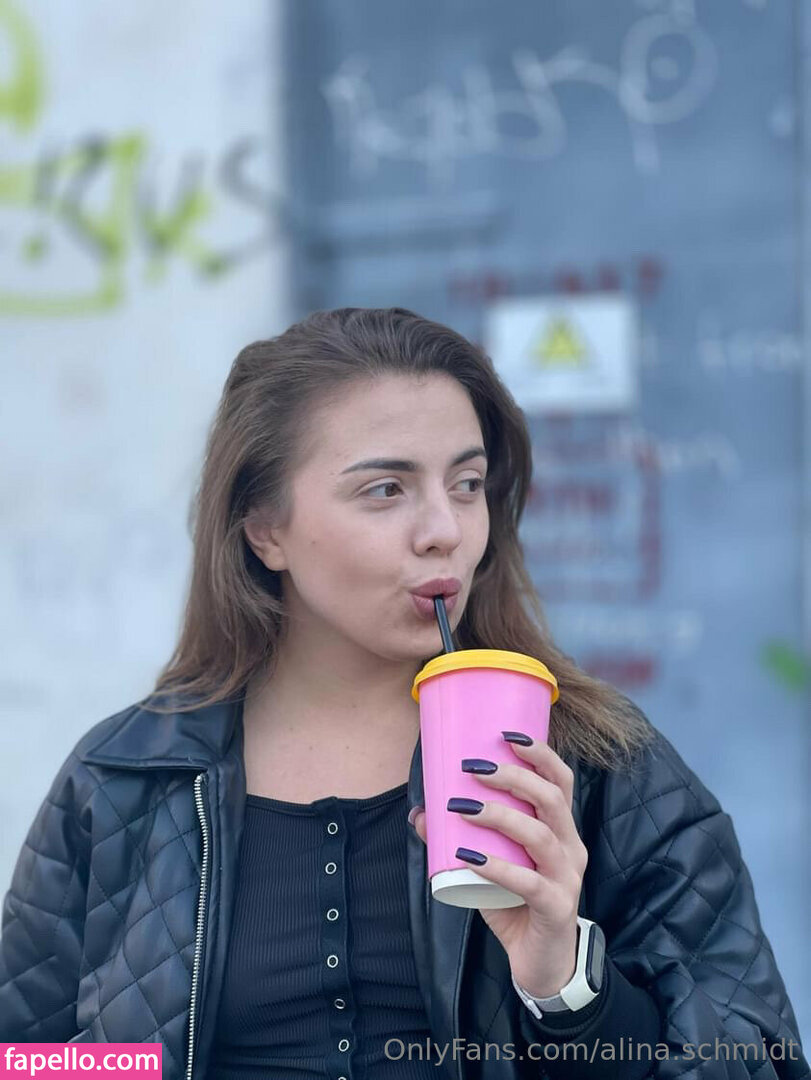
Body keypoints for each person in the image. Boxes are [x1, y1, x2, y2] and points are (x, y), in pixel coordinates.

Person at [0, 307, 807, 1080]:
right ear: (265, 529)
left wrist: (567, 985)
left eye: (467, 483)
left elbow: (755, 1059)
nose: (443, 530)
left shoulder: (594, 763)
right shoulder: (127, 778)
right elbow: (26, 1055)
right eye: (385, 489)